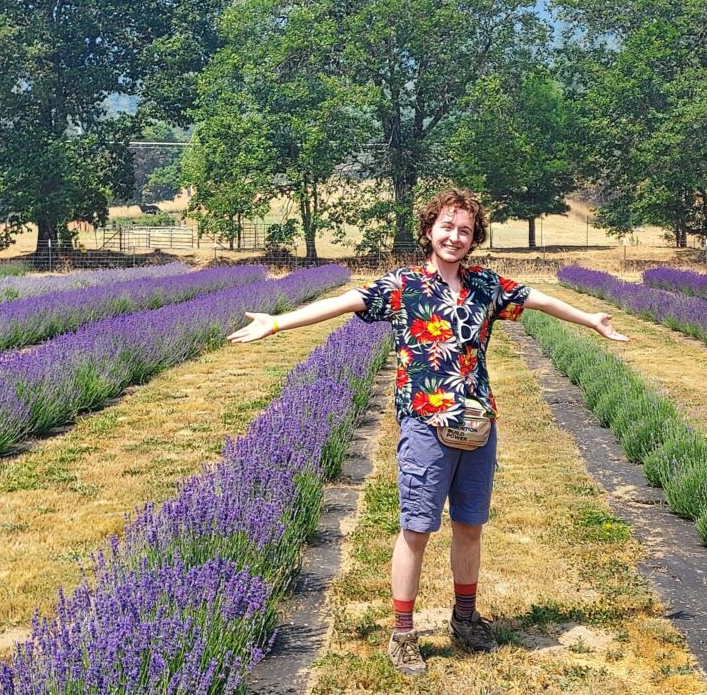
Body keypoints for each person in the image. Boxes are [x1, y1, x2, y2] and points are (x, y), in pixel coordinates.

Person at [228, 189, 629, 676]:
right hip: (425, 424)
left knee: (469, 526)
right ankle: (403, 633)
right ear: (428, 231)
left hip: (477, 424)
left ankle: (465, 618)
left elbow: (537, 299)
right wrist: (277, 323)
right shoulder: (404, 286)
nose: (455, 237)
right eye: (447, 227)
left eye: (465, 231)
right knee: (416, 529)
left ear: (474, 239)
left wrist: (591, 319)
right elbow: (342, 302)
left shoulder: (485, 286)